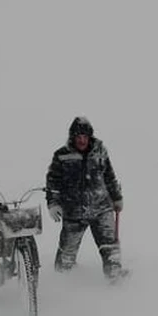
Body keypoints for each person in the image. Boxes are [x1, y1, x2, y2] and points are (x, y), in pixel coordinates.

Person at [45, 116, 125, 278]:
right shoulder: (62, 155)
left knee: (110, 249)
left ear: (90, 137)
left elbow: (109, 176)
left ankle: (116, 280)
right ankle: (61, 283)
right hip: (73, 211)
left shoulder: (100, 152)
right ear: (72, 137)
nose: (82, 140)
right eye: (78, 137)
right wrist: (53, 203)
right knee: (66, 253)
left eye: (85, 137)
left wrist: (116, 197)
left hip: (101, 208)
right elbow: (53, 182)